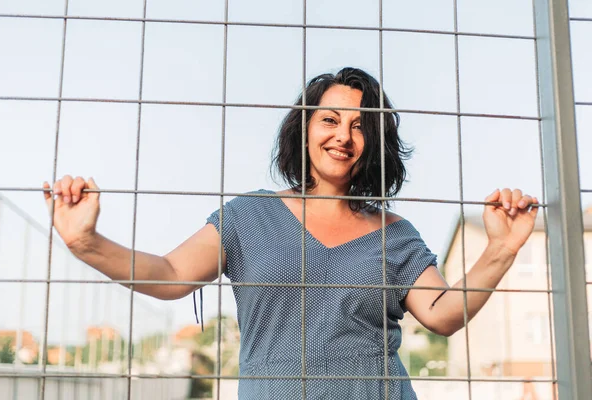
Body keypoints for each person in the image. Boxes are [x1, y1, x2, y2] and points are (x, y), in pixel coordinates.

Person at [43, 67, 538, 399]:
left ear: (375, 144)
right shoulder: (248, 216)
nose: (343, 135)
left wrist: (501, 248)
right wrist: (86, 242)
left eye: (360, 126)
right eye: (329, 119)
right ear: (303, 129)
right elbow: (171, 275)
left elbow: (443, 314)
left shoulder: (396, 233)